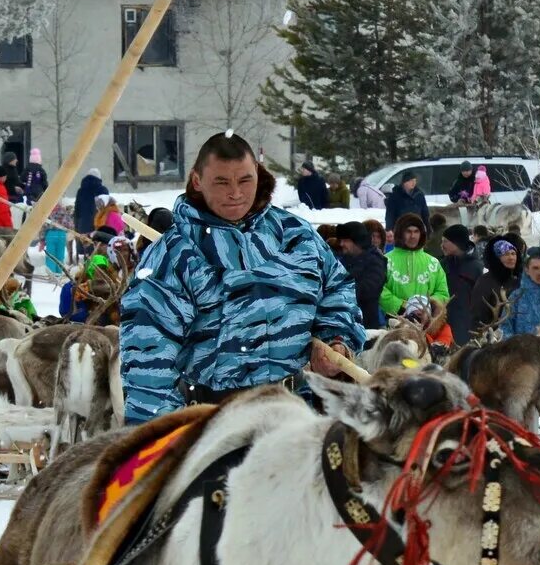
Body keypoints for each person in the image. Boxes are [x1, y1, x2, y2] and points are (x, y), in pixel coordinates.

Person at [118, 131, 366, 422]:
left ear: (258, 177)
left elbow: (336, 289)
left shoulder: (295, 237)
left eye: (244, 180)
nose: (235, 193)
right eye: (221, 182)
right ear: (198, 181)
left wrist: (335, 338)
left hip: (296, 415)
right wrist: (165, 439)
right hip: (210, 423)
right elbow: (148, 362)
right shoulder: (174, 256)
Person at [377, 213, 450, 320]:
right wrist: (403, 305)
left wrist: (426, 305)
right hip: (394, 322)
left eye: (416, 231)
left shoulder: (433, 262)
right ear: (400, 234)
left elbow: (443, 292)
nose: (413, 236)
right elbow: (379, 290)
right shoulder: (385, 261)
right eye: (408, 231)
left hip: (428, 323)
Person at [455, 237, 521, 342]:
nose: (511, 257)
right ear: (497, 257)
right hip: (495, 339)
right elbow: (477, 316)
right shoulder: (485, 282)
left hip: (519, 337)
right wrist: (480, 337)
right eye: (505, 254)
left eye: (513, 254)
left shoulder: (519, 281)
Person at [329, 222, 387, 322]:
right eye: (341, 240)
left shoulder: (375, 262)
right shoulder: (342, 261)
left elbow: (368, 290)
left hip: (365, 325)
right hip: (341, 322)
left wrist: (338, 291)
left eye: (346, 240)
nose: (341, 244)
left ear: (358, 242)